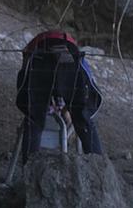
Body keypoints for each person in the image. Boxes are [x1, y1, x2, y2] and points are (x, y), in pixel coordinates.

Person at [15, 29, 103, 160]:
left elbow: (24, 79)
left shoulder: (32, 47)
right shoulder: (73, 49)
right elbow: (86, 83)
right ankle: (99, 165)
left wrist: (38, 106)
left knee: (34, 116)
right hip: (69, 60)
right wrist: (74, 110)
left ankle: (29, 167)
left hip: (39, 59)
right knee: (83, 117)